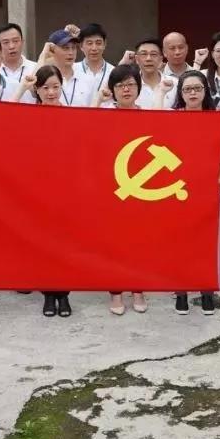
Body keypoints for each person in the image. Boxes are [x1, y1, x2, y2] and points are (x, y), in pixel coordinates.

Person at [163, 70, 220, 316]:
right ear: (180, 93)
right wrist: (160, 92)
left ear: (205, 91)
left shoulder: (215, 117)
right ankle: (181, 291)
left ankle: (206, 290)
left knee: (206, 240)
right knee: (179, 241)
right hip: (177, 186)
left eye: (197, 88)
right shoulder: (173, 117)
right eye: (187, 89)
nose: (192, 93)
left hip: (206, 187)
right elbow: (154, 126)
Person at [13, 66, 74, 319]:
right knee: (43, 241)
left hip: (66, 187)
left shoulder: (73, 115)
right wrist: (22, 88)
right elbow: (2, 117)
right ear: (36, 90)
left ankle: (64, 293)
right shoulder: (28, 115)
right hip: (37, 187)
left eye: (55, 87)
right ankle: (48, 293)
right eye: (45, 87)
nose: (51, 92)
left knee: (65, 242)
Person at [95, 64, 150, 314]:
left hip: (142, 185)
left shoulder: (150, 114)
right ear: (112, 90)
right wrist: (99, 100)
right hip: (111, 185)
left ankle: (138, 288)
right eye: (120, 85)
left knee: (139, 239)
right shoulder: (104, 114)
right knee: (113, 241)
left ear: (138, 87)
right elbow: (84, 131)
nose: (125, 89)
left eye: (130, 84)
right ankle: (115, 291)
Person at [38, 29, 92, 106]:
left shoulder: (87, 79)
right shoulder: (46, 79)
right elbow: (33, 81)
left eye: (73, 48)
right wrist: (44, 54)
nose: (71, 53)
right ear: (52, 50)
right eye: (65, 48)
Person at [132, 38, 176, 109]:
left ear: (161, 59)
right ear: (137, 59)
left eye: (153, 54)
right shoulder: (130, 85)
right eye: (144, 54)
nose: (148, 58)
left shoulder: (175, 83)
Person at [77, 22, 114, 94]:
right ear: (81, 46)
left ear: (105, 44)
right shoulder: (72, 70)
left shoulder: (113, 71)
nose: (94, 48)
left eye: (98, 43)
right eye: (89, 43)